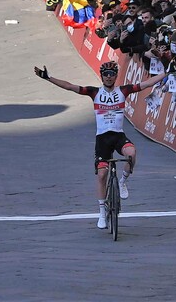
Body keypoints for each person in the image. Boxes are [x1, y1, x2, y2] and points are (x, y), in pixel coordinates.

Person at [33, 60, 169, 229]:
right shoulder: (94, 92)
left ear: (116, 76)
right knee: (102, 175)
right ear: (102, 75)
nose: (109, 77)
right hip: (102, 140)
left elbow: (146, 84)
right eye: (106, 74)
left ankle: (122, 181)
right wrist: (48, 78)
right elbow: (70, 86)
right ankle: (102, 213)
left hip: (118, 136)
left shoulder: (123, 91)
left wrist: (167, 73)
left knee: (132, 154)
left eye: (112, 74)